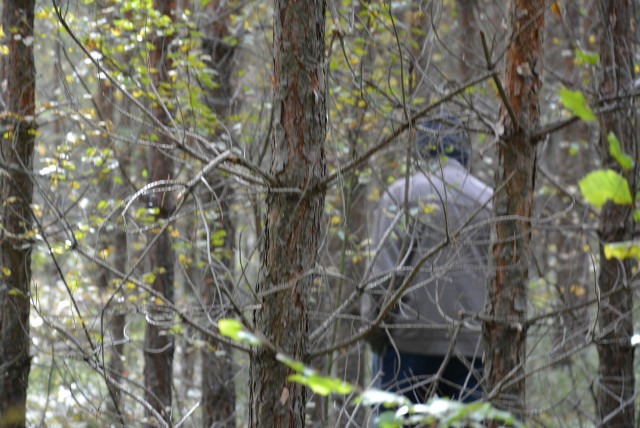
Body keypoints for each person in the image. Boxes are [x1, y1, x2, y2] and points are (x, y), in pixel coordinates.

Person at [362, 116, 493, 404]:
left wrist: (374, 336)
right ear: (464, 152)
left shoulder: (401, 194)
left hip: (408, 346)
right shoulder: (491, 201)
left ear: (422, 151)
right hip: (474, 350)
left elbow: (384, 277)